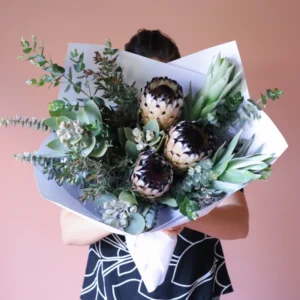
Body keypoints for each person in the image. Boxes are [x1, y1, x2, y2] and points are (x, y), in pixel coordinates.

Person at [60, 29, 249, 300]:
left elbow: (239, 223)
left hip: (190, 280)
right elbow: (69, 230)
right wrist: (128, 217)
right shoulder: (97, 140)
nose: (156, 99)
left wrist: (186, 215)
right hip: (116, 285)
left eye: (164, 86)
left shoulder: (204, 138)